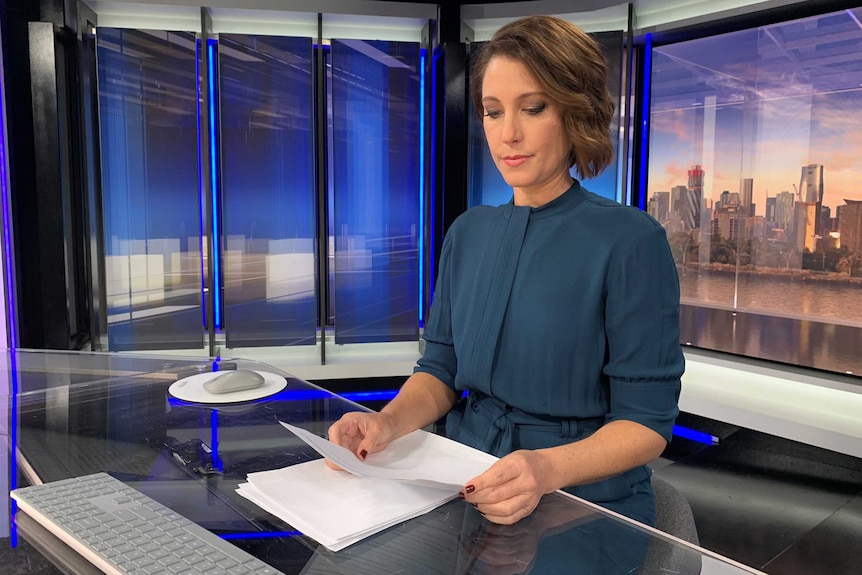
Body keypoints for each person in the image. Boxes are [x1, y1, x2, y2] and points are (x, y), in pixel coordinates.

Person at [327, 15, 684, 528]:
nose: (508, 134)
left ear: (573, 112)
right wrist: (386, 422)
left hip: (582, 499)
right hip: (459, 471)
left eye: (533, 108)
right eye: (493, 113)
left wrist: (545, 469)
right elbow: (440, 373)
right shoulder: (467, 232)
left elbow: (646, 423)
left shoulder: (632, 241)